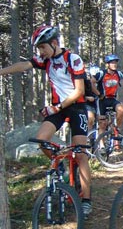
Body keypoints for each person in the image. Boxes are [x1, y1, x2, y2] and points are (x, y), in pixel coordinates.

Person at [0, 25, 93, 217]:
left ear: (54, 43)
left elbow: (79, 91)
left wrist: (58, 107)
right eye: (39, 48)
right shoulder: (46, 60)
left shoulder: (72, 59)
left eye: (43, 47)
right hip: (57, 108)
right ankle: (59, 163)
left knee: (81, 154)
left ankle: (86, 200)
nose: (41, 52)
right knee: (41, 140)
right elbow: (24, 65)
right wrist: (1, 72)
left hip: (76, 107)